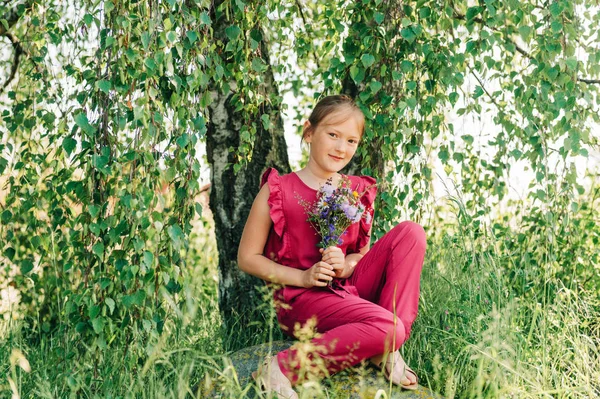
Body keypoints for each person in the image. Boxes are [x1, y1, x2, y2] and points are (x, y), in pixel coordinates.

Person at [237, 94, 427, 398]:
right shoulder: (279, 190)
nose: (341, 148)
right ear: (309, 132)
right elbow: (247, 258)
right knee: (387, 326)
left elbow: (359, 255)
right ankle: (281, 367)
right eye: (333, 135)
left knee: (411, 233)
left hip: (348, 289)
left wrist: (345, 265)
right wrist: (301, 277)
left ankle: (389, 346)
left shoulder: (357, 191)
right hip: (302, 299)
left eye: (351, 141)